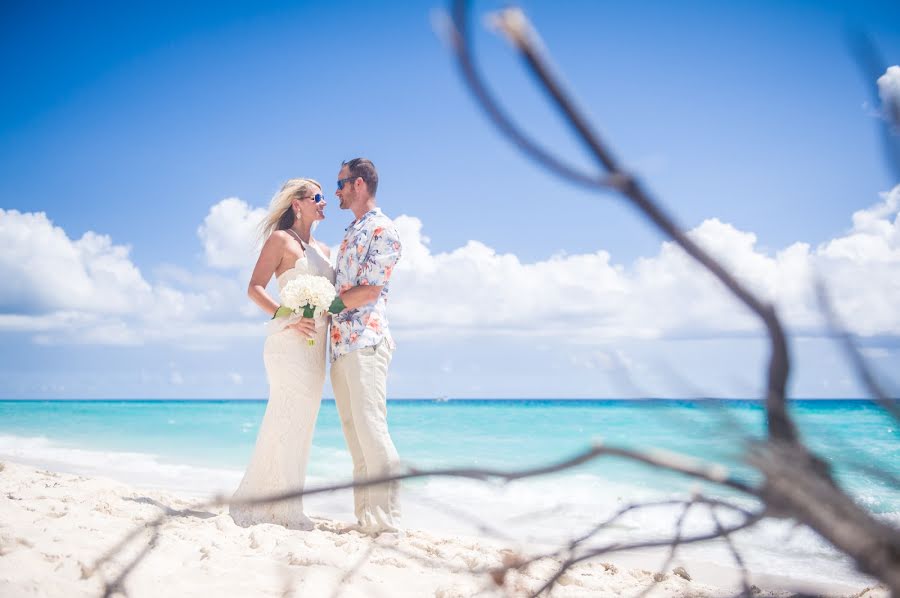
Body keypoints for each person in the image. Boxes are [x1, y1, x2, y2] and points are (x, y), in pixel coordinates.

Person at [229, 178, 334, 530]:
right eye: (317, 197)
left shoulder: (324, 249)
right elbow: (254, 288)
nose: (324, 202)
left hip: (316, 347)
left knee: (303, 423)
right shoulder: (280, 240)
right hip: (287, 343)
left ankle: (287, 502)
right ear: (297, 203)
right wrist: (287, 316)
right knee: (283, 416)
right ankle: (272, 506)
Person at [330, 158, 403, 534]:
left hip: (367, 341)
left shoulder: (383, 229)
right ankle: (365, 518)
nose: (336, 191)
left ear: (358, 184)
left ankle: (387, 521)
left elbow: (371, 289)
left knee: (373, 430)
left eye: (340, 183)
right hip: (342, 346)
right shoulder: (352, 230)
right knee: (354, 435)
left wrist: (329, 304)